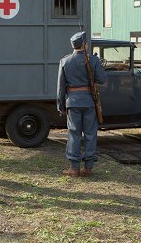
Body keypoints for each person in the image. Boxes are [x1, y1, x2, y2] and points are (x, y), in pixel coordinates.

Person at [56, 31, 107, 177]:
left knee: (74, 134)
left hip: (72, 102)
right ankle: (88, 168)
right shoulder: (93, 60)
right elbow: (102, 79)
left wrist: (61, 105)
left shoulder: (65, 61)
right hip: (90, 102)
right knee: (90, 134)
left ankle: (74, 168)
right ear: (85, 44)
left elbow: (60, 87)